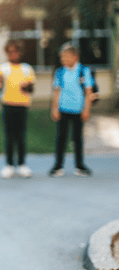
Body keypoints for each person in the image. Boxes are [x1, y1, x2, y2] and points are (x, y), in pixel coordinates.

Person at [0, 39, 35, 179]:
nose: (13, 54)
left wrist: (26, 87)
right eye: (10, 51)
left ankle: (22, 165)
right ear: (7, 53)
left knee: (21, 135)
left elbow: (31, 88)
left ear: (20, 52)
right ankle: (9, 165)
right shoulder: (1, 68)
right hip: (8, 105)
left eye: (16, 51)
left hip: (22, 105)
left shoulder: (27, 68)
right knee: (9, 135)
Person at [49, 43, 94, 177]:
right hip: (63, 109)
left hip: (78, 110)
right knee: (61, 138)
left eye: (66, 57)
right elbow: (57, 91)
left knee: (77, 139)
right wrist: (54, 109)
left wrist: (87, 109)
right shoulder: (60, 72)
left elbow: (88, 91)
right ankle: (58, 166)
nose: (63, 60)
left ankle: (79, 166)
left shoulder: (83, 71)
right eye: (62, 57)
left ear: (75, 57)